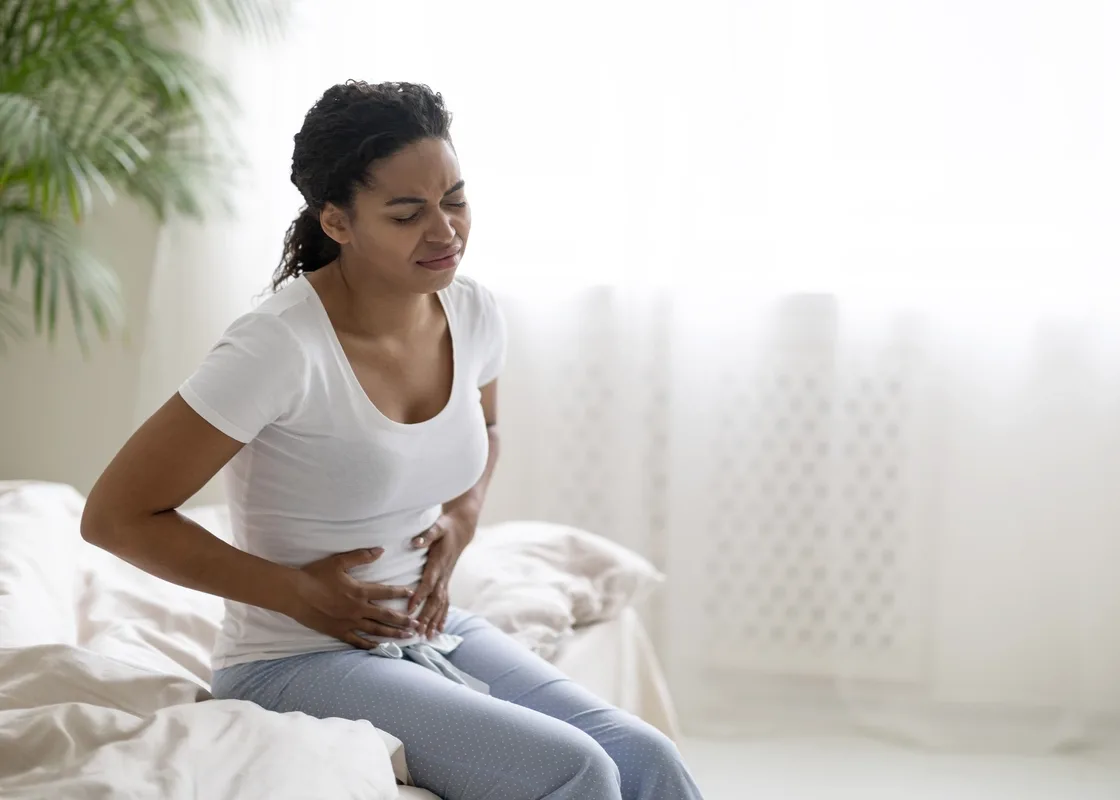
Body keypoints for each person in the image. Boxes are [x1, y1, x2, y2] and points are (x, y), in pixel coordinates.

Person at [81, 80, 703, 800]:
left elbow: (486, 427)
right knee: (578, 769)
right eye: (408, 214)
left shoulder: (471, 312)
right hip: (294, 657)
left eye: (456, 201)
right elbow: (114, 517)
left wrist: (463, 517)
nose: (445, 232)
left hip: (427, 628)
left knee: (646, 756)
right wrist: (295, 592)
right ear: (338, 222)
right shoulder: (277, 348)